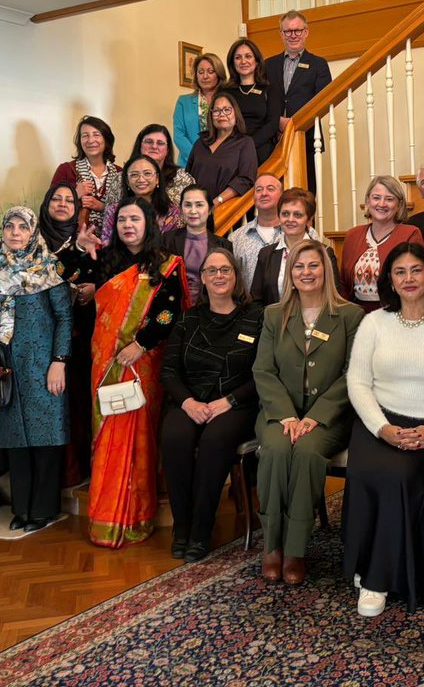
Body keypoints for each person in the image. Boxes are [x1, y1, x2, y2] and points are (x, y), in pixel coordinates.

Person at [342, 243, 424, 617]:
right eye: (400, 272)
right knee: (368, 468)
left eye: (416, 270)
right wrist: (381, 427)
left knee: (399, 474)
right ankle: (366, 562)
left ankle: (377, 578)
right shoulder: (374, 323)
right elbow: (357, 382)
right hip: (379, 422)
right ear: (390, 280)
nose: (409, 278)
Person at [253, 240, 364, 585]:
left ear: (325, 270)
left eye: (313, 265)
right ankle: (272, 545)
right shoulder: (274, 314)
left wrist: (315, 417)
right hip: (279, 413)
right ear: (291, 274)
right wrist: (286, 415)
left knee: (307, 452)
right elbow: (263, 370)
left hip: (328, 417)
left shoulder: (350, 315)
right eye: (299, 267)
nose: (306, 273)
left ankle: (296, 549)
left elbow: (353, 373)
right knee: (275, 450)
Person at [87, 197, 188, 548]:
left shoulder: (165, 265)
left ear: (148, 224)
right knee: (108, 435)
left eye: (135, 219)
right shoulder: (105, 261)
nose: (128, 225)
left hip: (142, 363)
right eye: (122, 220)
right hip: (105, 362)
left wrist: (140, 344)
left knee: (137, 436)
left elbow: (167, 314)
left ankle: (137, 516)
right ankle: (105, 517)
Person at [160, 248, 262, 562]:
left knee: (214, 440)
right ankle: (183, 527)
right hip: (191, 401)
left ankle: (201, 531)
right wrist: (188, 402)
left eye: (225, 270)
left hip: (238, 404)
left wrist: (229, 401)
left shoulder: (255, 317)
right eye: (212, 271)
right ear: (202, 279)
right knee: (174, 437)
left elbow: (264, 373)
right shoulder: (188, 319)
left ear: (236, 276)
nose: (219, 276)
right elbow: (169, 370)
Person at [0, 206, 73, 533]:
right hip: (7, 366)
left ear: (33, 231)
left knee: (45, 440)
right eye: (10, 226)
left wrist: (59, 362)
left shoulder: (49, 269)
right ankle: (21, 509)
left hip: (43, 365)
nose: (16, 232)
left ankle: (44, 509)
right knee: (16, 441)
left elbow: (64, 318)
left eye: (23, 227)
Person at [38, 183, 98, 487]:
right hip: (39, 339)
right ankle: (51, 478)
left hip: (79, 335)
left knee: (76, 404)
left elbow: (99, 275)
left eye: (69, 200)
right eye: (56, 199)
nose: (62, 204)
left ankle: (77, 471)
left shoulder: (86, 239)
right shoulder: (31, 241)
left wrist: (93, 289)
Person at [267, 11, 332, 191]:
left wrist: (295, 123)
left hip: (307, 139)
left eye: (297, 30)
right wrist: (277, 121)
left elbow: (324, 101)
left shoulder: (319, 65)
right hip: (274, 141)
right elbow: (262, 102)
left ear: (306, 32)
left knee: (307, 195)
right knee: (275, 196)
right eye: (288, 31)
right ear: (281, 34)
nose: (293, 35)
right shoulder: (268, 65)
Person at [339, 176, 422, 312]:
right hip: (356, 314)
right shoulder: (352, 235)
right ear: (367, 201)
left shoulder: (410, 234)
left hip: (396, 313)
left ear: (399, 205)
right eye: (376, 198)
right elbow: (343, 283)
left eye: (389, 199)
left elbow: (417, 279)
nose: (382, 204)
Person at [250, 188, 340, 305]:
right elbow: (256, 300)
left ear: (309, 219)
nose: (290, 219)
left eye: (297, 215)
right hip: (276, 322)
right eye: (285, 214)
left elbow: (333, 296)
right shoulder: (266, 254)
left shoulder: (325, 253)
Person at [51, 115, 123, 247]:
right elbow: (49, 209)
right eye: (85, 136)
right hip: (72, 245)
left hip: (113, 245)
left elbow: (130, 209)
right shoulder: (66, 170)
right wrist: (75, 195)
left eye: (96, 134)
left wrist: (102, 207)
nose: (91, 140)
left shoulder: (120, 173)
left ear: (106, 139)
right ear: (80, 142)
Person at [186, 93, 258, 207]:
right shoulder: (200, 142)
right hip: (195, 209)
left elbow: (245, 179)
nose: (222, 114)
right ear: (211, 115)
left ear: (236, 113)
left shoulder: (245, 142)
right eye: (217, 111)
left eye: (227, 110)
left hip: (224, 208)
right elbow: (187, 176)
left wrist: (216, 201)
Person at [166, 184, 233, 304]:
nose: (193, 211)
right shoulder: (167, 240)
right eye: (187, 205)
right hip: (173, 307)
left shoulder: (224, 245)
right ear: (181, 210)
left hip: (210, 308)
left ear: (210, 210)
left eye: (199, 205)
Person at [223, 38, 283, 165]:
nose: (243, 61)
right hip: (231, 148)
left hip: (261, 149)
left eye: (248, 56)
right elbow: (220, 120)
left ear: (256, 61)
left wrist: (249, 144)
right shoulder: (224, 91)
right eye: (238, 57)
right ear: (232, 63)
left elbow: (273, 123)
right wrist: (237, 145)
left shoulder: (270, 89)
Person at [231, 174, 283, 289]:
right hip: (249, 305)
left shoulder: (300, 232)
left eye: (270, 189)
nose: (264, 193)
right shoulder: (236, 238)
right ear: (254, 197)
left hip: (290, 306)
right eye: (259, 190)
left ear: (281, 196)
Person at [173, 52, 226, 164]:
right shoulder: (183, 101)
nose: (205, 76)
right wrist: (197, 157)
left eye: (210, 72)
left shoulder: (228, 102)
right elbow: (179, 135)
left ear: (219, 74)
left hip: (221, 161)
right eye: (200, 72)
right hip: (189, 163)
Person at [130, 123, 195, 210]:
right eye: (149, 142)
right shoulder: (122, 177)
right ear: (140, 145)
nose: (154, 146)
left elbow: (191, 212)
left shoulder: (183, 178)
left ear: (167, 150)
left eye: (160, 143)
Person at [122, 152, 183, 234]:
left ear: (157, 178)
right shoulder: (114, 211)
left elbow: (169, 244)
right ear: (127, 181)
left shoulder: (171, 212)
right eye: (134, 175)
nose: (141, 180)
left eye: (147, 173)